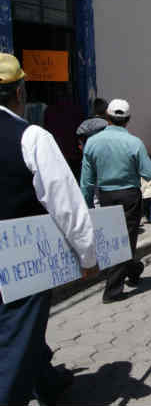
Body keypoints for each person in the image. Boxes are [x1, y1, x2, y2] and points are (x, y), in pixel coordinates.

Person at [0, 53, 98, 405]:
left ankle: (47, 380)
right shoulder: (30, 137)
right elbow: (65, 201)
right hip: (19, 263)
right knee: (15, 338)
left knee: (23, 332)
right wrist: (87, 254)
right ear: (21, 93)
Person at [81, 99, 151, 303]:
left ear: (107, 117)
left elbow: (86, 181)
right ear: (128, 119)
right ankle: (112, 290)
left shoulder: (92, 143)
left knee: (116, 239)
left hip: (105, 195)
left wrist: (86, 206)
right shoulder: (134, 142)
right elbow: (148, 173)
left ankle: (134, 269)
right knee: (125, 241)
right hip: (129, 195)